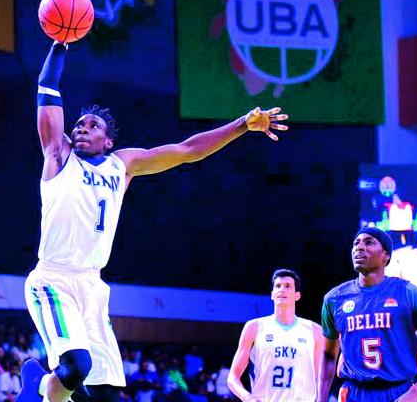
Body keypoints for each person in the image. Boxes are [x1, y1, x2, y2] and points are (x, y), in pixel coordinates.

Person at [18, 41, 289, 402]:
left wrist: (242, 125)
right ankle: (36, 389)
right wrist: (60, 43)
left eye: (92, 124)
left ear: (108, 140)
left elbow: (188, 151)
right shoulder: (59, 154)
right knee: (75, 367)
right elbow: (47, 91)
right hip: (53, 279)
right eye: (79, 123)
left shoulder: (123, 165)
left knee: (105, 393)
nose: (81, 127)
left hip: (92, 286)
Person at [319, 227, 417, 402]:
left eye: (369, 242)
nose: (359, 247)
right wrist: (321, 398)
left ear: (385, 256)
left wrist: (416, 391)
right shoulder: (334, 299)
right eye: (356, 243)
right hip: (354, 393)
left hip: (399, 392)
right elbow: (329, 355)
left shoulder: (409, 293)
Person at [227, 269, 322, 401]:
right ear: (272, 294)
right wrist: (247, 397)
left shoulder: (314, 330)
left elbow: (321, 378)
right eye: (278, 286)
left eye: (288, 286)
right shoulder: (254, 327)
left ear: (297, 296)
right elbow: (233, 377)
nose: (282, 289)